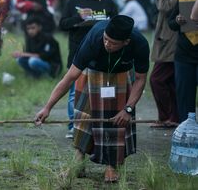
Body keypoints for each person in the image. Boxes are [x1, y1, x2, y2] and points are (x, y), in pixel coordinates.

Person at [35, 15, 150, 183]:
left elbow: (140, 79)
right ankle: (78, 162)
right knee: (83, 118)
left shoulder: (140, 44)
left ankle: (113, 166)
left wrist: (128, 109)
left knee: (117, 120)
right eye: (106, 39)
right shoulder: (95, 38)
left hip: (121, 75)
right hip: (92, 73)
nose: (107, 44)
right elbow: (69, 78)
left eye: (113, 43)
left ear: (126, 42)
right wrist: (47, 107)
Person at [60, 0, 117, 138]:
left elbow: (117, 25)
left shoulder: (108, 2)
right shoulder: (74, 1)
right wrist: (79, 18)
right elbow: (62, 24)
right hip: (78, 51)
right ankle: (73, 125)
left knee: (103, 90)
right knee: (74, 92)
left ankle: (101, 123)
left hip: (103, 52)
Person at [150, 0, 182, 128]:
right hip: (165, 43)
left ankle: (166, 117)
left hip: (173, 45)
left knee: (157, 79)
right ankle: (173, 118)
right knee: (170, 83)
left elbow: (165, 6)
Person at [168, 0, 198, 123]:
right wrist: (178, 20)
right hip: (184, 55)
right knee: (185, 95)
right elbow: (170, 23)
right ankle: (186, 129)